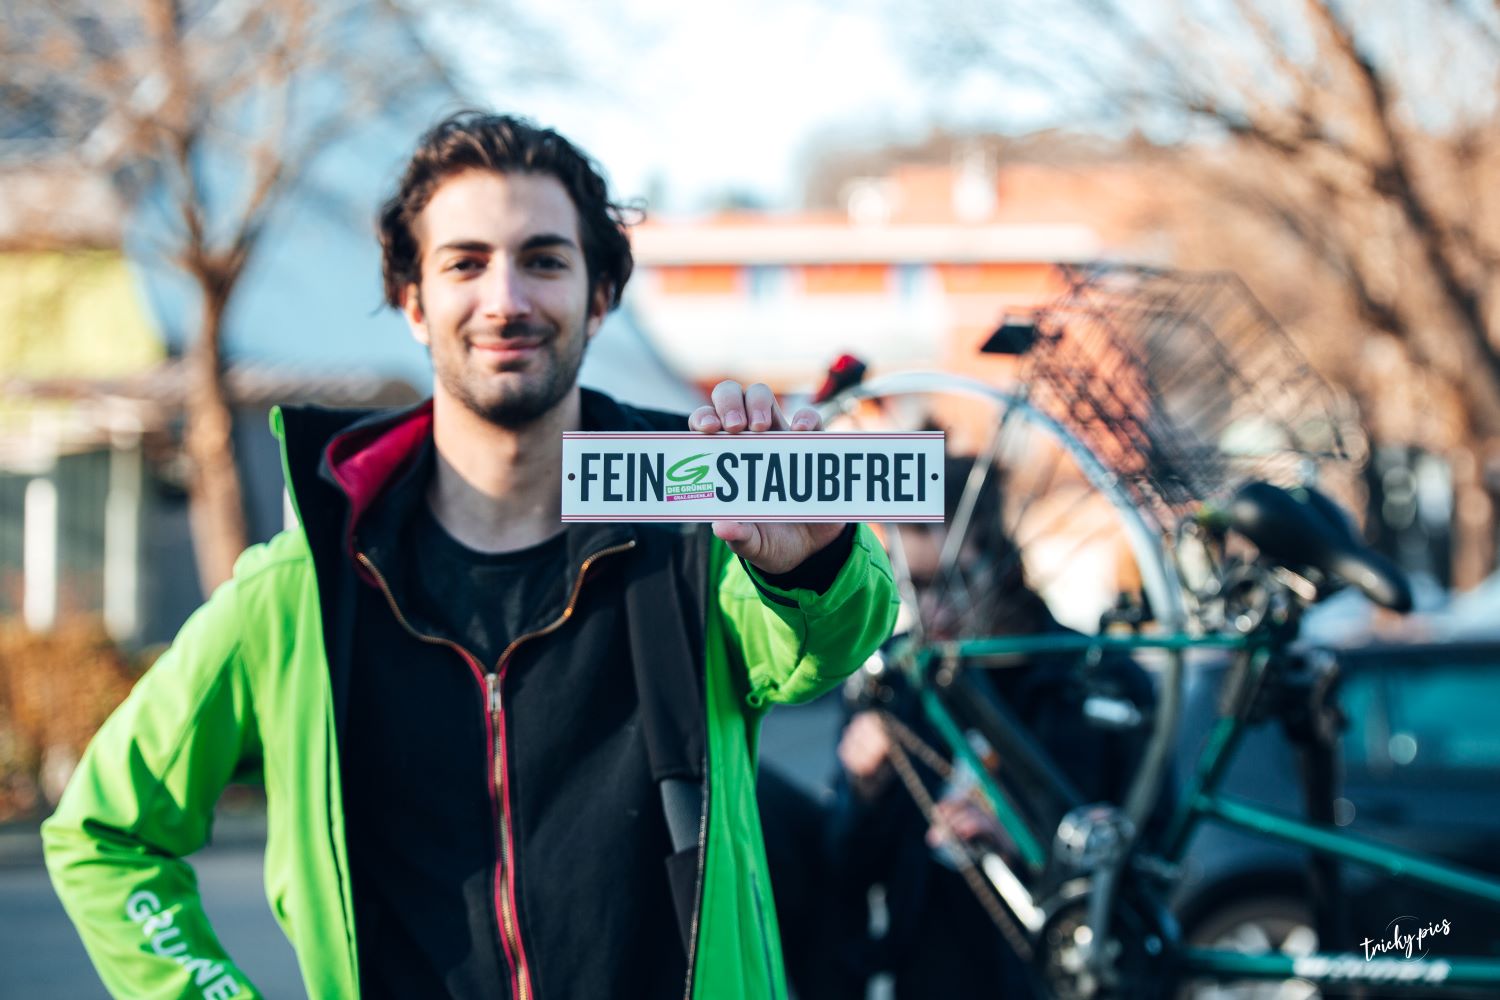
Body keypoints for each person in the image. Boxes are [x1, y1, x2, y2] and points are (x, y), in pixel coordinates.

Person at [42, 111, 899, 1000]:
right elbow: (105, 833)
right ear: (413, 302)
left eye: (544, 259)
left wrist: (811, 563)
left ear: (600, 295)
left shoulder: (692, 541)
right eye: (465, 262)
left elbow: (818, 651)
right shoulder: (304, 587)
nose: (506, 299)